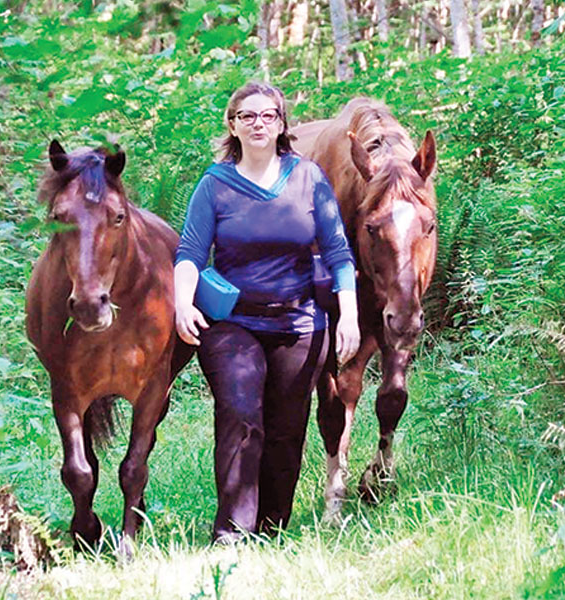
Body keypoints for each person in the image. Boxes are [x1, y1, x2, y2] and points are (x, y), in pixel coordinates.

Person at [174, 81, 359, 542]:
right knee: (240, 415)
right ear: (232, 126)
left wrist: (350, 315)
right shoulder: (215, 184)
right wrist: (181, 301)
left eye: (268, 116)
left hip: (300, 324)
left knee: (286, 429)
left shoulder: (308, 178)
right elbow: (190, 254)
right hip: (233, 323)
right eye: (248, 116)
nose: (258, 123)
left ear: (281, 124)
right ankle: (232, 534)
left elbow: (338, 253)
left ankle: (271, 530)